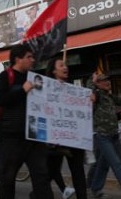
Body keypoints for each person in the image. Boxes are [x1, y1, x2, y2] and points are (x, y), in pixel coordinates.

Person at [0, 44, 53, 199]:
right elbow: (0, 100)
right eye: (29, 57)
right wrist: (22, 90)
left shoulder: (34, 78)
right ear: (18, 59)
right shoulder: (5, 77)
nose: (32, 60)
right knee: (8, 176)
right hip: (13, 136)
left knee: (41, 176)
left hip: (34, 135)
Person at [40, 57, 86, 199]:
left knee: (78, 173)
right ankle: (36, 194)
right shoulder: (44, 90)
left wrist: (90, 101)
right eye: (61, 65)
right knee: (50, 172)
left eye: (65, 65)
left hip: (73, 139)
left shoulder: (74, 90)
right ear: (53, 71)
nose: (65, 67)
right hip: (55, 142)